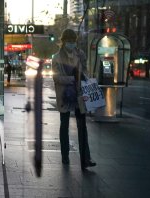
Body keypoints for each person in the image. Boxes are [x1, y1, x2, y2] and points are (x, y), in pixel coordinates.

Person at [51, 28, 96, 169]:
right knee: (64, 126)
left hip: (79, 95)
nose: (71, 44)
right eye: (69, 41)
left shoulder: (80, 54)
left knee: (82, 127)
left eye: (73, 41)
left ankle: (86, 159)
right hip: (65, 95)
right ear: (63, 42)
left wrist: (87, 79)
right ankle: (65, 156)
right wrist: (73, 78)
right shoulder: (56, 58)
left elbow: (85, 71)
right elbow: (56, 78)